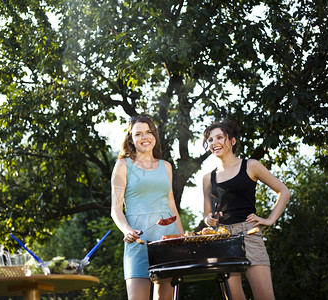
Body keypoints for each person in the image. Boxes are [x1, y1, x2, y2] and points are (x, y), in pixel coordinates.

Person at [202, 120, 290, 300]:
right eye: (210, 140)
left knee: (264, 296)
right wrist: (209, 219)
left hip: (249, 234)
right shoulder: (207, 178)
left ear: (232, 141)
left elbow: (284, 191)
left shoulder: (250, 166)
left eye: (219, 137)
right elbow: (207, 214)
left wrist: (269, 220)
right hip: (223, 238)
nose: (214, 143)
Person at [111, 115, 184, 300]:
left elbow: (172, 206)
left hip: (168, 239)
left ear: (155, 136)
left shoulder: (166, 166)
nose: (144, 137)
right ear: (131, 139)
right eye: (138, 134)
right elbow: (116, 209)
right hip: (138, 240)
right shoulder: (122, 165)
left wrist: (183, 239)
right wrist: (126, 230)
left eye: (148, 132)